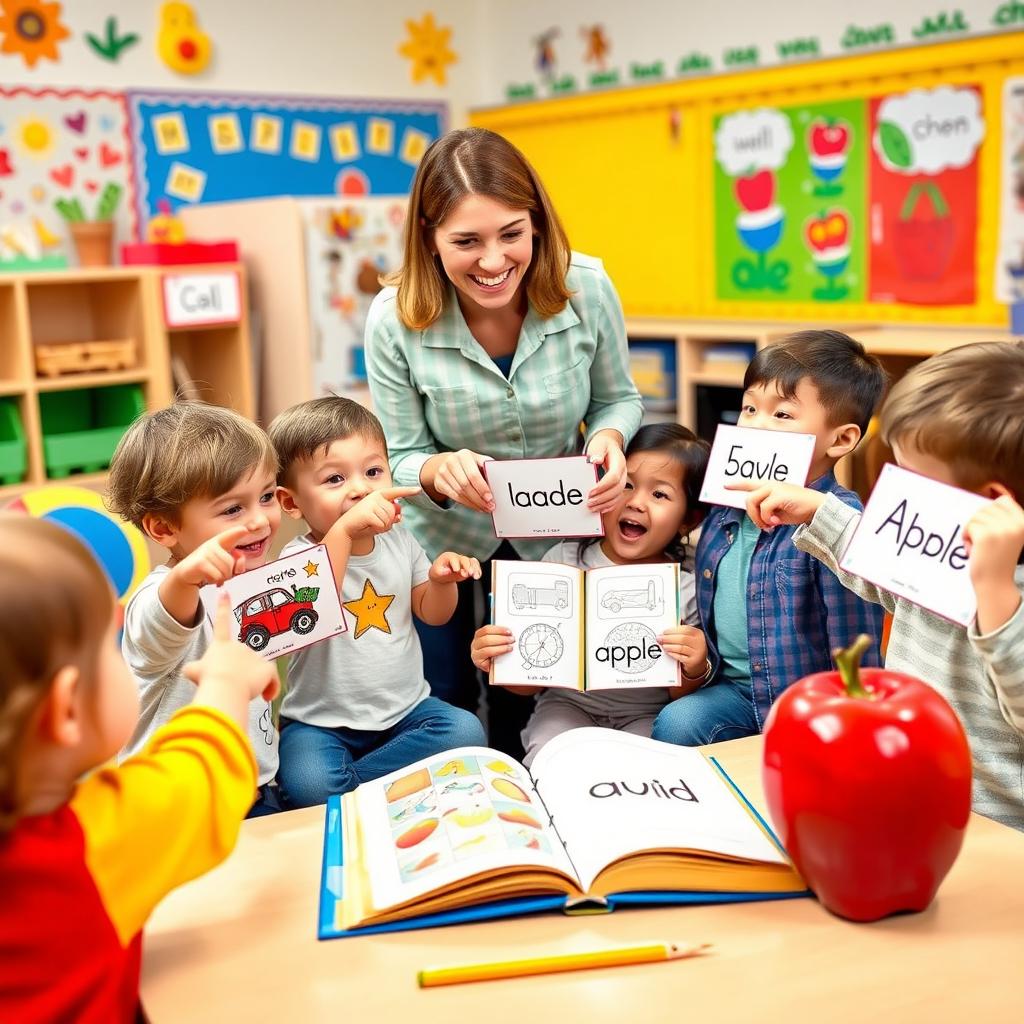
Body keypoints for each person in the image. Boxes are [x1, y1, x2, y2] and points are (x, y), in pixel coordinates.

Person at [364, 126, 644, 758]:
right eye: (466, 241)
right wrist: (438, 469)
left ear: (537, 224)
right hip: (443, 542)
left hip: (557, 528)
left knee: (538, 691)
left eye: (511, 234)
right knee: (446, 698)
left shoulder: (588, 287)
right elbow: (399, 456)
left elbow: (618, 398)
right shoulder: (394, 318)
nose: (492, 262)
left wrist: (608, 437)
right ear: (430, 240)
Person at [0, 516, 279, 1022]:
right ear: (65, 710)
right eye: (109, 647)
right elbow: (202, 769)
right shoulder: (90, 845)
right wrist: (226, 681)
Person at [735, 341, 1024, 830]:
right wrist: (818, 510)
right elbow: (884, 572)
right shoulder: (939, 540)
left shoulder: (999, 579)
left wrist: (995, 594)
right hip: (914, 790)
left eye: (912, 474)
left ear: (992, 501)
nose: (894, 486)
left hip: (992, 825)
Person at [651, 330, 888, 747]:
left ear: (842, 439)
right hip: (736, 692)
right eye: (748, 408)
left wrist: (852, 720)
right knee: (678, 723)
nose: (756, 425)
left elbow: (855, 643)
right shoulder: (725, 502)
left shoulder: (838, 522)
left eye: (782, 415)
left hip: (807, 702)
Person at [269, 396, 487, 808]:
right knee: (310, 781)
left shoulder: (400, 541)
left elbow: (433, 614)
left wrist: (442, 581)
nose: (361, 489)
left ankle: (351, 788)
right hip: (319, 725)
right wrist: (346, 533)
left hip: (407, 715)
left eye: (373, 471)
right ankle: (381, 787)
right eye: (335, 479)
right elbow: (310, 612)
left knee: (465, 732)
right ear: (292, 502)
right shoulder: (296, 560)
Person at [471, 424, 710, 765]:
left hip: (646, 714)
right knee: (552, 759)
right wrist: (499, 658)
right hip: (568, 706)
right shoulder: (561, 562)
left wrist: (694, 666)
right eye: (625, 484)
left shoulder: (685, 588)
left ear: (688, 519)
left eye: (659, 495)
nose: (637, 502)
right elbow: (526, 684)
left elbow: (680, 695)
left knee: (641, 769)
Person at [106, 401, 284, 816]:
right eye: (233, 508)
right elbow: (160, 622)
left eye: (267, 495)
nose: (260, 520)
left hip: (253, 788)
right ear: (164, 528)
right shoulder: (159, 596)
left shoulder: (253, 581)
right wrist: (185, 577)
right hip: (175, 805)